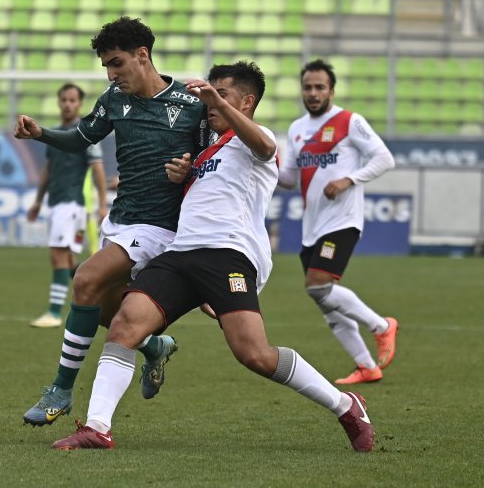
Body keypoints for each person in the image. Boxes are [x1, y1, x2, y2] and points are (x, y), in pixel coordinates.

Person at [51, 61, 375, 453]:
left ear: (248, 101)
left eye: (222, 96)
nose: (211, 104)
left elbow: (265, 147)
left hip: (228, 258)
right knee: (125, 325)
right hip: (181, 253)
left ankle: (345, 405)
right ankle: (98, 428)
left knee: (254, 354)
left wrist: (213, 101)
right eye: (210, 96)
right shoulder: (205, 151)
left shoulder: (258, 140)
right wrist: (180, 174)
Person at [14, 16, 209, 426]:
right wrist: (41, 134)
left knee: (84, 279)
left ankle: (61, 392)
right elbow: (82, 137)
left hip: (159, 227)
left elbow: (214, 163)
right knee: (106, 311)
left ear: (143, 55)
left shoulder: (193, 106)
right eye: (106, 66)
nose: (111, 73)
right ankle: (155, 347)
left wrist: (188, 170)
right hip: (120, 222)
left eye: (117, 63)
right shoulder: (113, 100)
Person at [277, 59, 399, 385]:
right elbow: (288, 178)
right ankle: (366, 366)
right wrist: (262, 165)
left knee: (318, 285)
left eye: (320, 87)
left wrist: (350, 179)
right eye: (308, 87)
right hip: (311, 227)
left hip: (342, 222)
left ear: (331, 90)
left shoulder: (349, 121)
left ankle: (382, 326)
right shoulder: (297, 129)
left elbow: (384, 158)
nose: (313, 93)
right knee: (326, 303)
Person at [27, 83, 108, 329]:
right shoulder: (55, 135)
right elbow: (48, 171)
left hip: (72, 205)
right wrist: (38, 201)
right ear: (59, 102)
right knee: (69, 257)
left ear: (80, 104)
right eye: (64, 100)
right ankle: (98, 292)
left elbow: (98, 169)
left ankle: (53, 312)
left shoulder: (85, 134)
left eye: (73, 100)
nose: (68, 104)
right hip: (57, 203)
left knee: (57, 254)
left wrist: (102, 204)